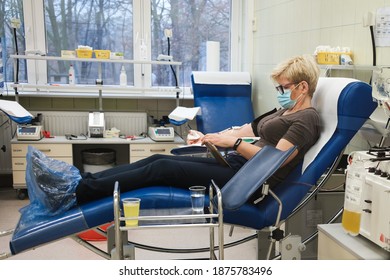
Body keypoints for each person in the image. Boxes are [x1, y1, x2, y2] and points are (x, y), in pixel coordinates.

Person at [30, 54, 321, 214]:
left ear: (303, 87)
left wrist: (231, 142)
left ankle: (72, 193)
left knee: (163, 168)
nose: (280, 92)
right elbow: (249, 129)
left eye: (284, 87)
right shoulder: (284, 111)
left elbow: (274, 161)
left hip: (248, 181)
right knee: (159, 160)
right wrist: (212, 136)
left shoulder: (307, 119)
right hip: (235, 165)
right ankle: (78, 182)